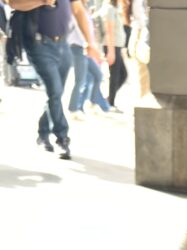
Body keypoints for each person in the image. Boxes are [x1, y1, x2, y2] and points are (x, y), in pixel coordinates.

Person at [8, 0, 100, 158]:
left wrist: (91, 43)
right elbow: (13, 3)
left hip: (64, 45)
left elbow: (78, 11)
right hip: (38, 44)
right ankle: (62, 138)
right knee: (55, 91)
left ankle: (43, 134)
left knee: (55, 95)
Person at [100, 0, 126, 110]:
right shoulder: (109, 9)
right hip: (112, 46)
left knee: (123, 74)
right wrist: (111, 51)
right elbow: (109, 30)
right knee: (115, 75)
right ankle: (110, 103)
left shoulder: (115, 9)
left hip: (117, 46)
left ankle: (109, 99)